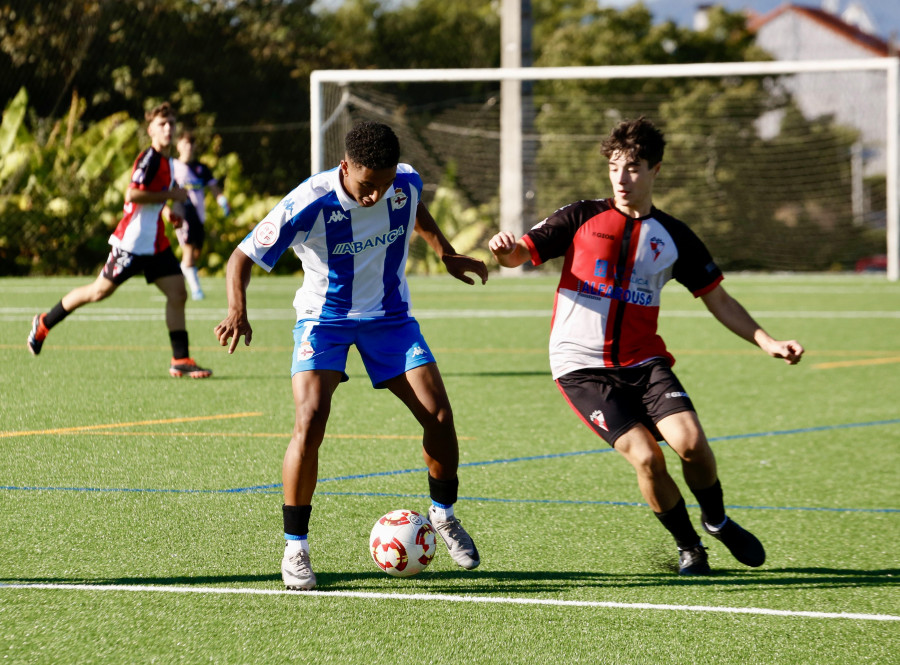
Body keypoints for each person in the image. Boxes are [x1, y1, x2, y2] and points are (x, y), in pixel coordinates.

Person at [488, 117, 804, 575]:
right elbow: (521, 253)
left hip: (644, 361)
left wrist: (767, 341)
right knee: (646, 456)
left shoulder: (674, 236)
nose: (621, 178)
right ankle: (690, 546)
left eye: (633, 167)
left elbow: (718, 298)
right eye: (615, 167)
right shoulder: (581, 216)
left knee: (692, 444)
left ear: (655, 169)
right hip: (581, 368)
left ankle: (716, 520)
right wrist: (504, 253)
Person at [214, 121, 488, 590]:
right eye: (366, 185)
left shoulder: (404, 182)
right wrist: (237, 310)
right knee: (311, 419)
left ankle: (442, 515)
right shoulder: (310, 201)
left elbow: (413, 210)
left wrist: (445, 251)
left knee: (439, 416)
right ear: (346, 167)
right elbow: (241, 258)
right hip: (325, 321)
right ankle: (295, 549)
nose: (375, 196)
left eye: (383, 186)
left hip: (390, 318)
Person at [27, 102, 212, 379]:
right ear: (150, 130)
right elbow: (132, 195)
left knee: (178, 293)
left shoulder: (170, 163)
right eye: (163, 124)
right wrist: (170, 198)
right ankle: (44, 322)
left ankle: (180, 358)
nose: (168, 128)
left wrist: (173, 213)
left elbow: (163, 196)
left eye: (172, 123)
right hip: (133, 243)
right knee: (98, 292)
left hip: (156, 244)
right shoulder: (149, 159)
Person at [172, 129, 231, 301]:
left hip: (199, 216)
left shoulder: (201, 168)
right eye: (185, 143)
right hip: (182, 213)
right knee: (188, 250)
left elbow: (214, 189)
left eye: (191, 144)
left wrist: (222, 201)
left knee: (196, 254)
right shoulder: (173, 167)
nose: (188, 147)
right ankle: (197, 290)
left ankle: (176, 279)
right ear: (178, 146)